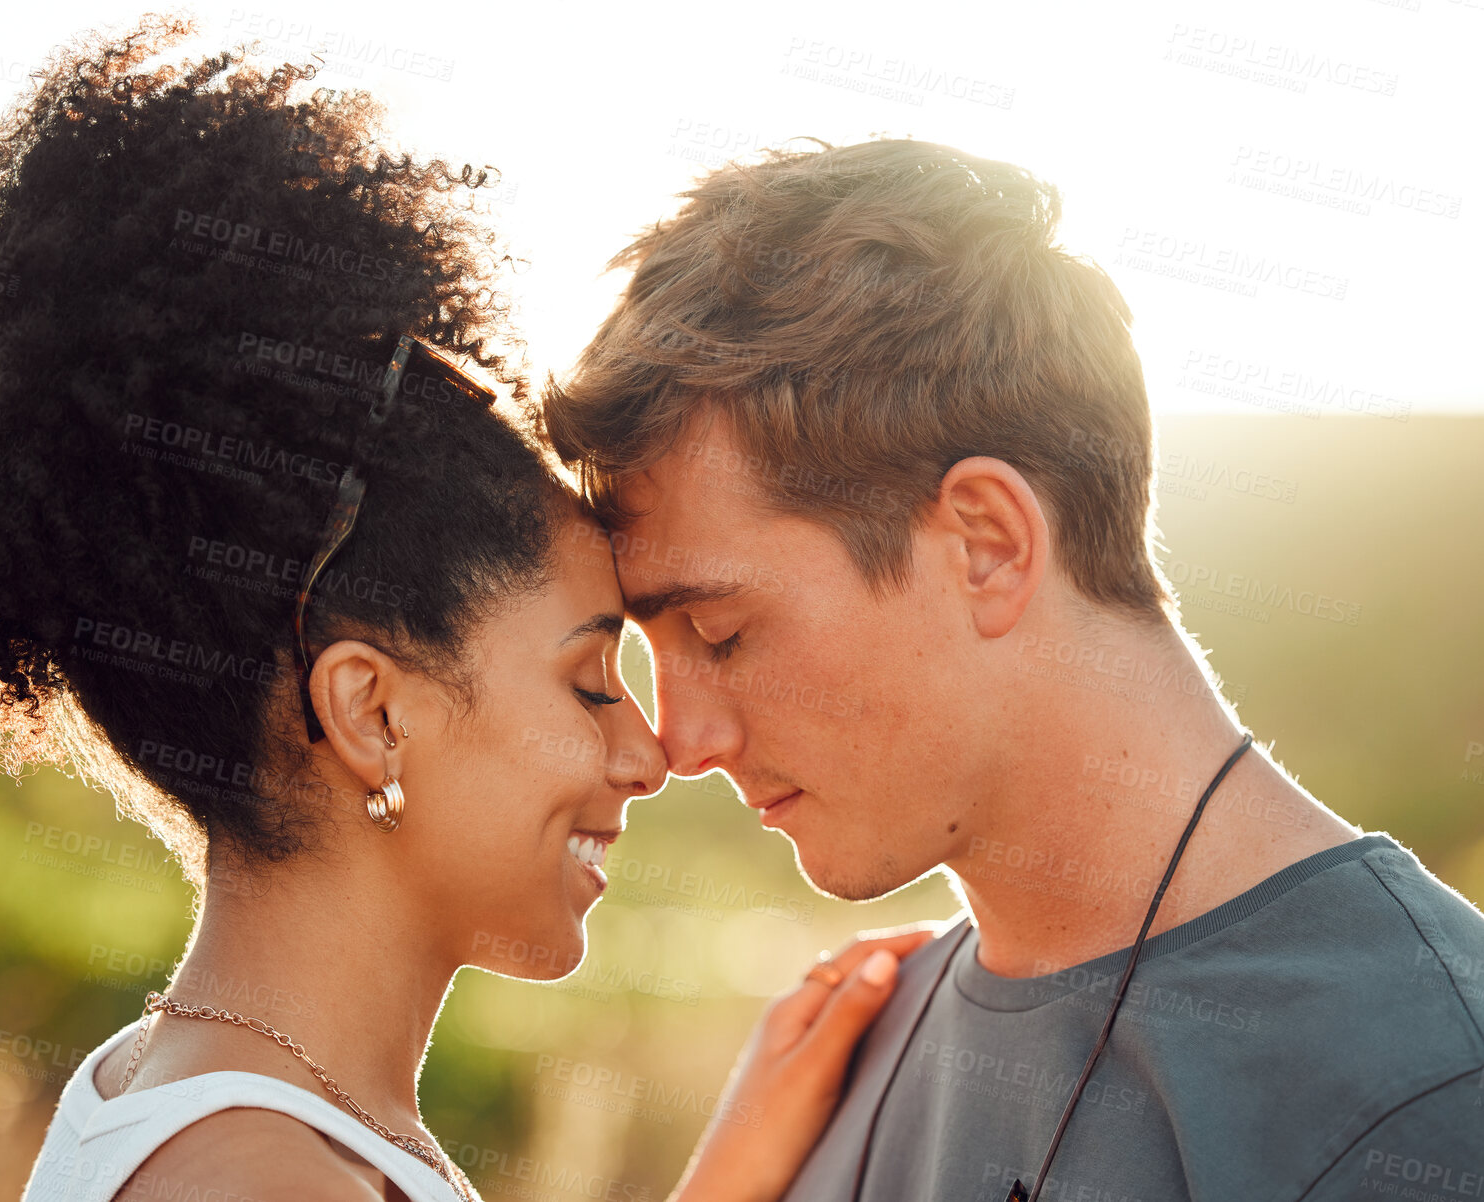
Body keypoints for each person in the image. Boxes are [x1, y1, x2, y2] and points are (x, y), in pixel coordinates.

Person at [0, 20, 933, 1202]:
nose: (650, 748)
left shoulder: (192, 1099)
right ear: (369, 710)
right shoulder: (263, 1178)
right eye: (587, 679)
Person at [540, 137, 1484, 1199]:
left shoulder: (1425, 1093)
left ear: (986, 544)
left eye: (719, 633)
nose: (679, 740)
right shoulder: (831, 1064)